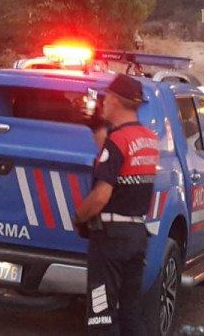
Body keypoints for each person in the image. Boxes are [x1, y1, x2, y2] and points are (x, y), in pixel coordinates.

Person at [73, 74, 158, 334]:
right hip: (135, 235)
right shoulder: (148, 139)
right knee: (131, 311)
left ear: (115, 100)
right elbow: (114, 150)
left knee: (101, 314)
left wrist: (80, 216)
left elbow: (101, 196)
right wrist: (95, 124)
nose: (103, 102)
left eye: (106, 97)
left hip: (110, 240)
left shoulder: (117, 142)